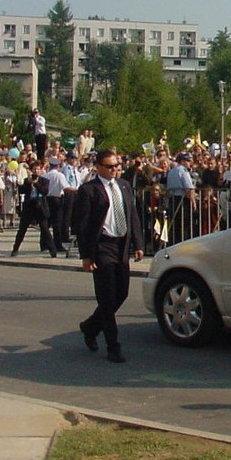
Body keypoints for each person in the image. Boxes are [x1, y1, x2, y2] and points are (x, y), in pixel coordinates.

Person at [74, 149, 144, 363]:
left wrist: (138, 244)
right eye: (110, 166)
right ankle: (113, 346)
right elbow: (82, 224)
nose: (115, 169)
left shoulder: (123, 186)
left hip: (121, 244)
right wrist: (86, 255)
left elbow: (133, 215)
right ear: (98, 167)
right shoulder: (89, 190)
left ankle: (90, 326)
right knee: (106, 297)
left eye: (117, 165)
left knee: (121, 293)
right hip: (102, 246)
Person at [11, 162, 58, 258]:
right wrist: (28, 183)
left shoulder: (44, 180)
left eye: (38, 169)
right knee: (22, 229)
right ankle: (15, 249)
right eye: (34, 169)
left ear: (40, 170)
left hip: (40, 206)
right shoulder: (27, 180)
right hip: (29, 206)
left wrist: (35, 183)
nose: (36, 171)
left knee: (45, 228)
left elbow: (45, 191)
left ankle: (52, 249)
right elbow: (22, 191)